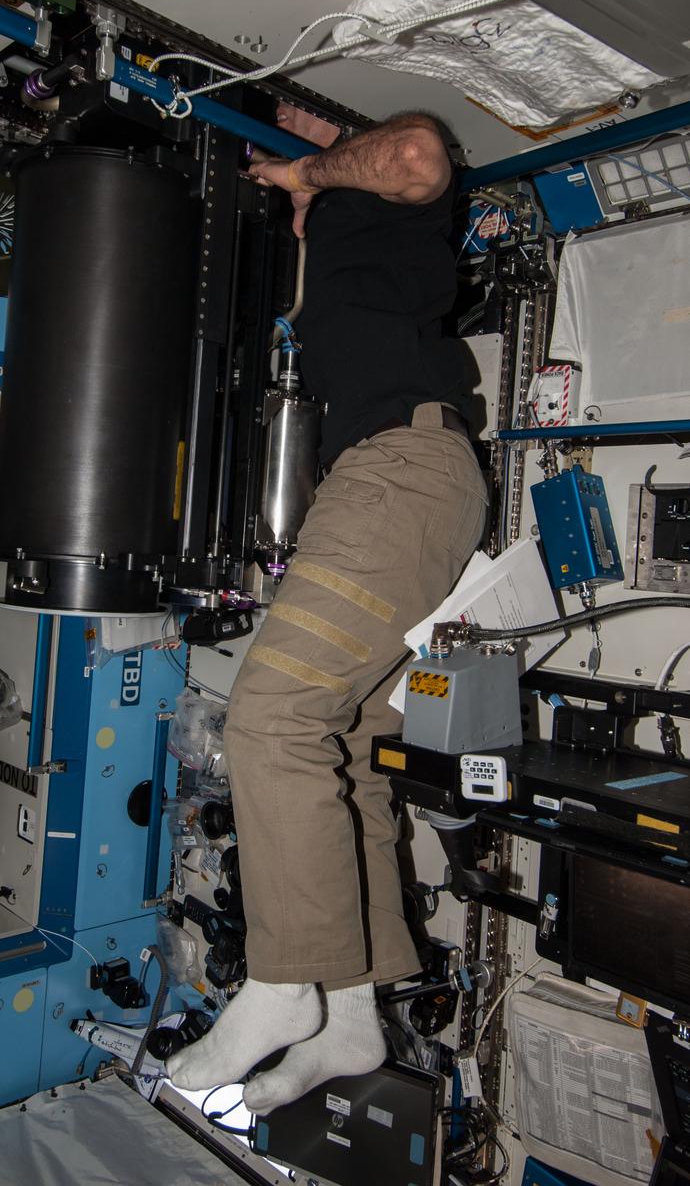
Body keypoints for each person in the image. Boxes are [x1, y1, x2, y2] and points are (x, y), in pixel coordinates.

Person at [167, 105, 487, 1114]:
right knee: (342, 752)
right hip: (408, 477)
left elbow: (415, 150)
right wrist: (312, 190)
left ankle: (281, 983)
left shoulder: (390, 177)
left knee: (270, 721)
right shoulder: (353, 230)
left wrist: (319, 169)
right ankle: (349, 1012)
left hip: (400, 470)